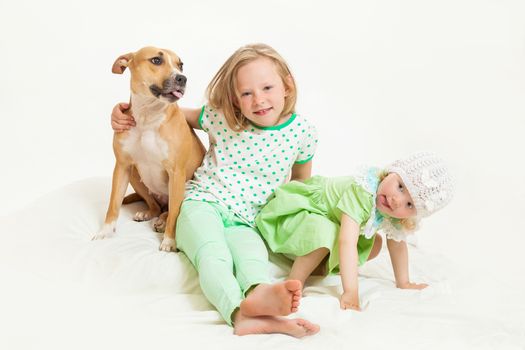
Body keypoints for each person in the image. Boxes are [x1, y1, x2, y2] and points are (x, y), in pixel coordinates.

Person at [111, 44, 320, 337]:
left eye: (267, 87)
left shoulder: (303, 133)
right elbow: (165, 112)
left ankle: (261, 295)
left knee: (252, 259)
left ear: (286, 86)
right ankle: (237, 312)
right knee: (212, 254)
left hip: (248, 219)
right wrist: (122, 113)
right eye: (246, 93)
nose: (258, 100)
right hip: (201, 203)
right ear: (235, 99)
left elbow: (300, 187)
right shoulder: (221, 117)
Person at [256, 151, 454, 311]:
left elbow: (397, 245)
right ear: (391, 172)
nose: (396, 199)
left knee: (375, 244)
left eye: (409, 204)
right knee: (325, 231)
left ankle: (317, 266)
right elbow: (346, 242)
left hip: (329, 227)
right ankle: (294, 283)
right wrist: (350, 291)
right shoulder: (363, 191)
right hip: (299, 214)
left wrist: (404, 282)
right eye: (400, 186)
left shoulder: (391, 209)